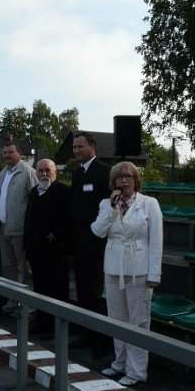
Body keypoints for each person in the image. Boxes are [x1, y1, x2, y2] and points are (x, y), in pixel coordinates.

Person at [91, 161, 162, 386]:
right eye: (119, 177)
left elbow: (156, 241)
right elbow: (97, 231)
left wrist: (154, 274)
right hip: (113, 266)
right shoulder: (106, 204)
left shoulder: (149, 204)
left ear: (135, 180)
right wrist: (112, 210)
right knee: (116, 318)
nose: (123, 180)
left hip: (139, 269)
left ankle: (137, 371)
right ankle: (120, 362)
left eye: (128, 176)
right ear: (113, 182)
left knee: (138, 321)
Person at [69, 131, 111, 353]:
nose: (76, 150)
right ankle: (85, 333)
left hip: (96, 243)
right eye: (74, 147)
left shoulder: (104, 171)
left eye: (80, 146)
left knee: (95, 291)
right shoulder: (77, 173)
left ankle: (100, 339)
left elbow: (108, 208)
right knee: (82, 289)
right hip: (78, 242)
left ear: (92, 147)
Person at [23, 159, 71, 332]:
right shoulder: (34, 192)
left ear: (54, 172)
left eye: (47, 170)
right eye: (40, 171)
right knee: (40, 288)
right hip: (37, 251)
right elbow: (29, 220)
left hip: (55, 252)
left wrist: (56, 233)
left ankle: (56, 327)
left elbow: (68, 218)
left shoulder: (63, 191)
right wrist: (27, 247)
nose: (44, 174)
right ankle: (43, 322)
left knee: (57, 290)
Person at [0, 142, 38, 313]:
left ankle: (28, 305)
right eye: (4, 152)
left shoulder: (28, 172)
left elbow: (35, 199)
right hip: (4, 227)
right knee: (8, 267)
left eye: (11, 152)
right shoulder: (3, 173)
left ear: (20, 153)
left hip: (20, 229)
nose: (7, 155)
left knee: (23, 269)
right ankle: (13, 300)